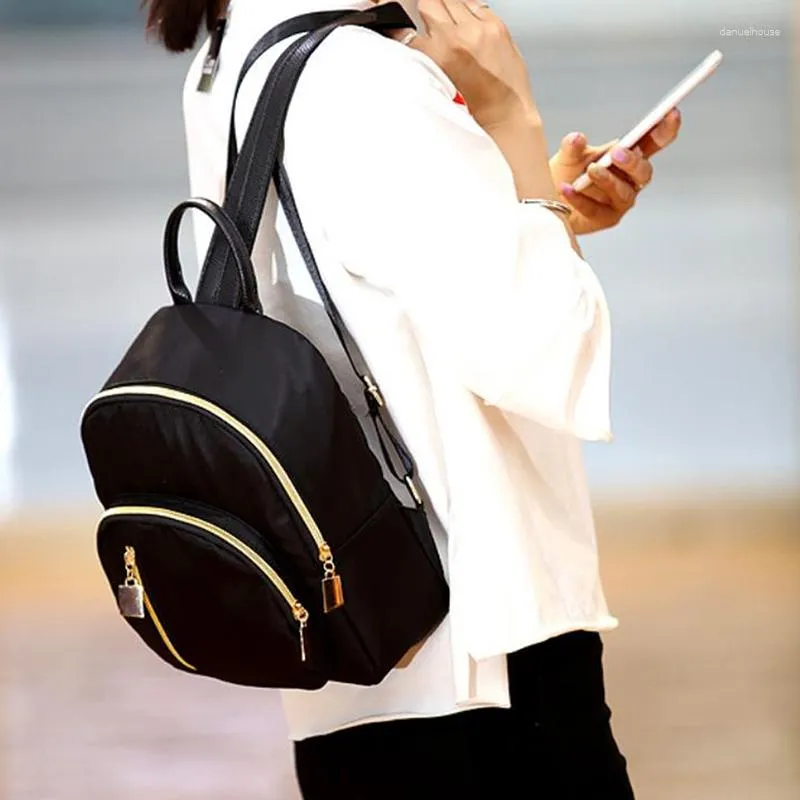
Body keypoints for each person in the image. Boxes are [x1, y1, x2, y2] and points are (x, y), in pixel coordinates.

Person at [143, 0, 681, 796]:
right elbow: (541, 348)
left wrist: (533, 204)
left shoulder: (232, 51)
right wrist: (511, 113)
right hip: (484, 652)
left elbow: (374, 293)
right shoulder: (370, 75)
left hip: (351, 655)